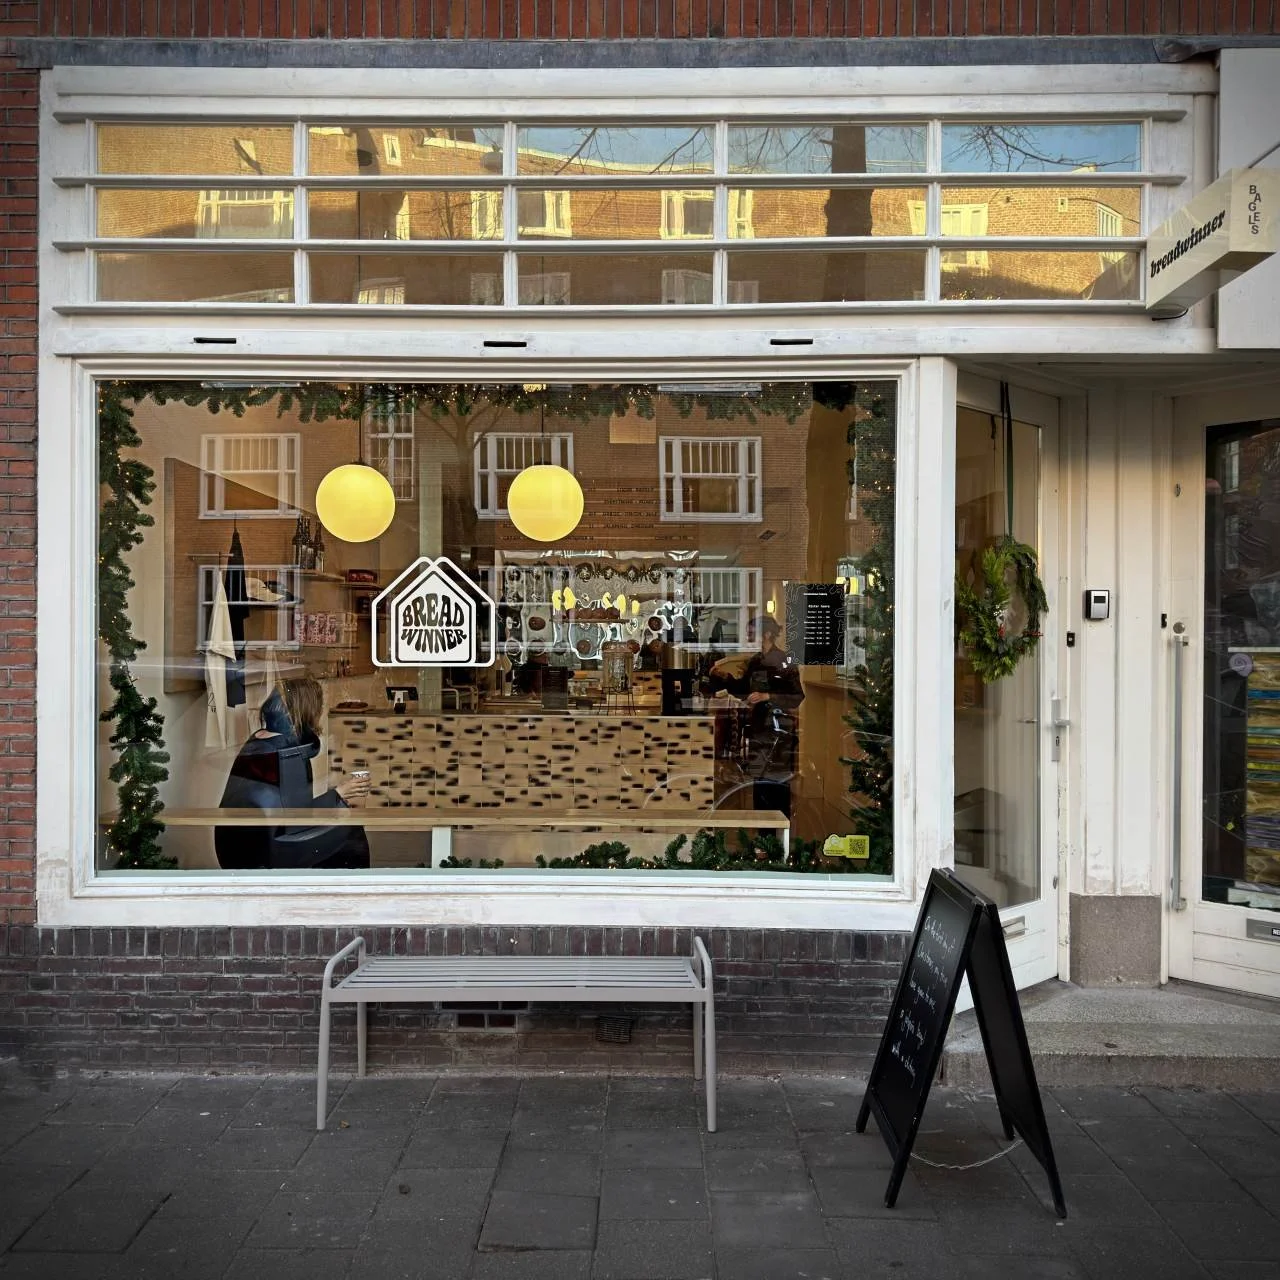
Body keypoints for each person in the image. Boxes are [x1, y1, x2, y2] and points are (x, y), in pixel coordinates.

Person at [214, 677, 372, 870]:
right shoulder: (286, 754)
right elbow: (297, 818)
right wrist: (340, 794)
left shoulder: (260, 739)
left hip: (233, 845)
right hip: (266, 853)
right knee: (351, 829)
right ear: (308, 711)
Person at [706, 616, 804, 817]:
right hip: (759, 730)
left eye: (752, 632)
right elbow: (743, 689)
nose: (749, 636)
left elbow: (797, 696)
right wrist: (724, 678)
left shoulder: (784, 661)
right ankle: (763, 838)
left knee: (778, 784)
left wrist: (768, 696)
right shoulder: (755, 661)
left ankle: (780, 836)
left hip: (780, 733)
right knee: (759, 784)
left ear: (767, 633)